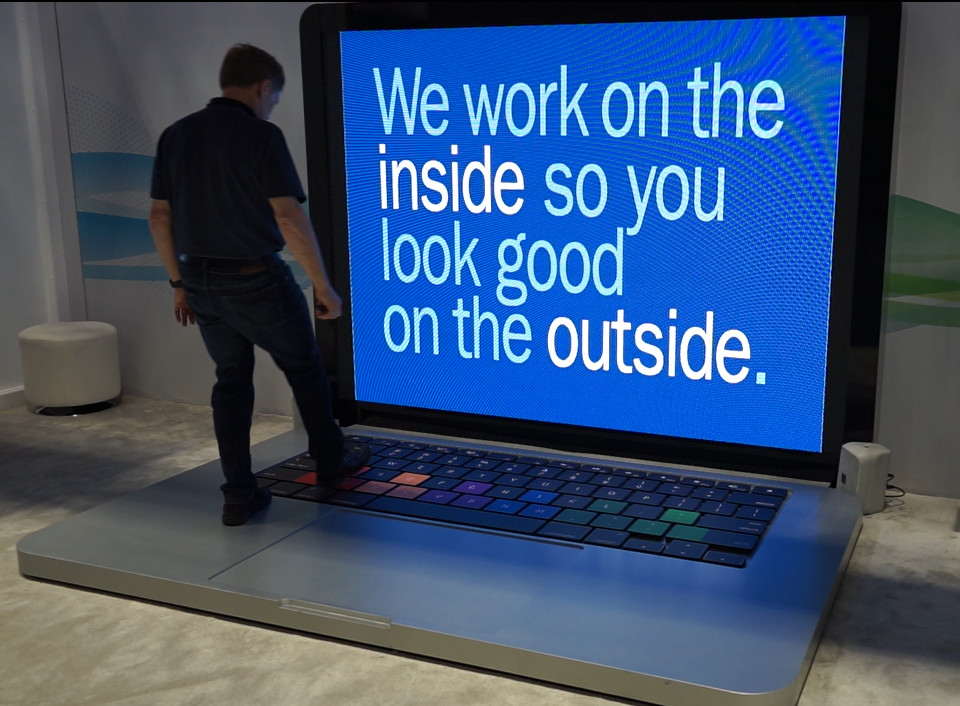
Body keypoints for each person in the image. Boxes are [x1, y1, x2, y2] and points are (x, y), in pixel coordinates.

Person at [148, 43, 369, 526]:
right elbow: (288, 217)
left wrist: (179, 284)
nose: (271, 107)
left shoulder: (176, 135)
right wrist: (323, 287)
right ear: (262, 87)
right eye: (273, 98)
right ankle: (331, 461)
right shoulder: (261, 136)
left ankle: (238, 493)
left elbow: (159, 217)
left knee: (231, 382)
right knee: (305, 366)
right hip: (255, 278)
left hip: (200, 281)